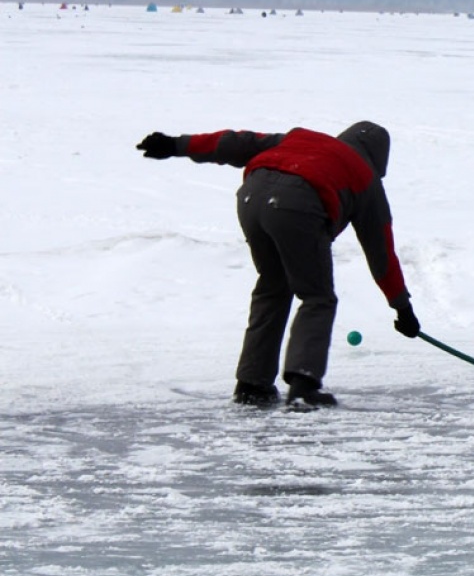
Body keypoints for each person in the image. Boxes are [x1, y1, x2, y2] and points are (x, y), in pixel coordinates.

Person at [136, 122, 420, 408]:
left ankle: (252, 384)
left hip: (251, 197)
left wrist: (176, 145)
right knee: (317, 297)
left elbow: (235, 143)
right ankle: (303, 385)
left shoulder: (300, 139)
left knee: (272, 287)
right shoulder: (365, 177)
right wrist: (402, 309)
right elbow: (382, 254)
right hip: (299, 204)